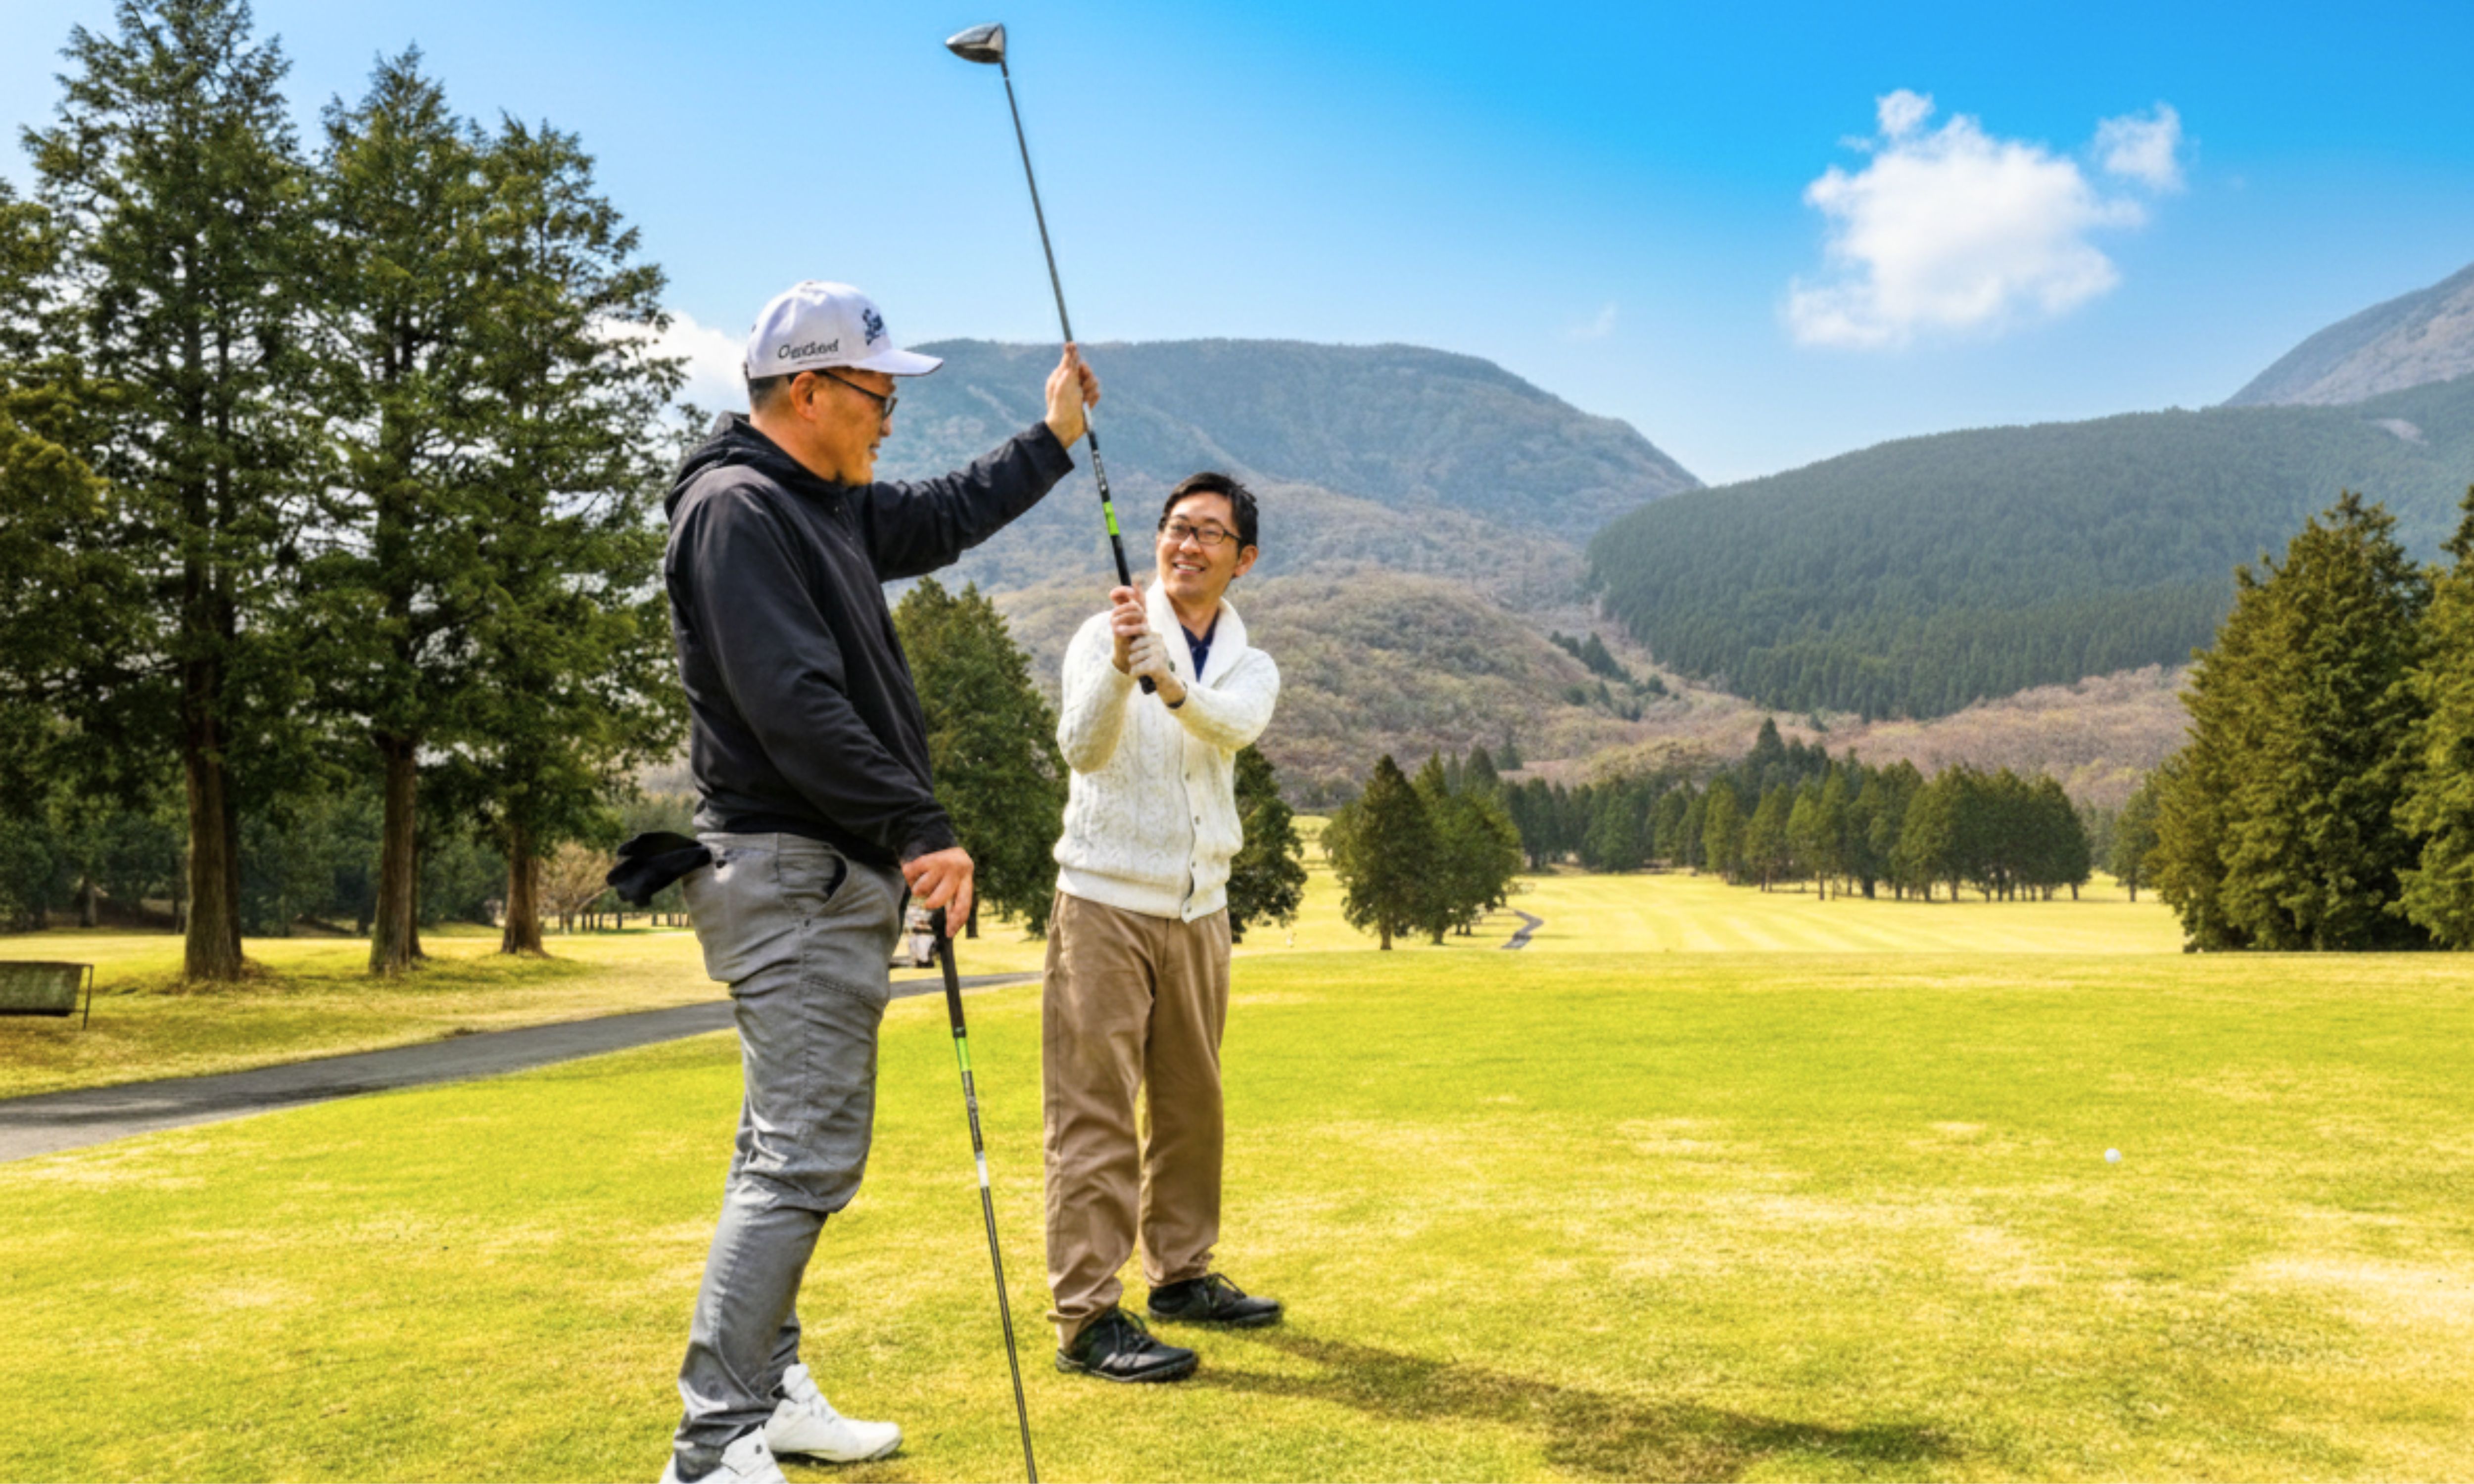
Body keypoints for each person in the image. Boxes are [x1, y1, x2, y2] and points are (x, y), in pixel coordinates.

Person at [657, 280, 1098, 1484]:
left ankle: (769, 1386)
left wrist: (1053, 438)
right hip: (791, 870)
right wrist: (920, 827)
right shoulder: (742, 509)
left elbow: (948, 515)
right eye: (876, 391)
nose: (891, 415)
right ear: (808, 390)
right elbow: (791, 704)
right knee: (801, 1158)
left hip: (816, 871)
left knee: (780, 1148)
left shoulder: (823, 505)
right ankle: (712, 1443)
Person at [1044, 471, 1283, 1383]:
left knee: (1192, 1109)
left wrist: (1170, 684)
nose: (1188, 545)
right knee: (1093, 1114)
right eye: (1176, 529)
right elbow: (1081, 747)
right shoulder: (1096, 637)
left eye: (1210, 535)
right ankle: (1087, 1319)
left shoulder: (1250, 664)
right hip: (1103, 902)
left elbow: (1233, 728)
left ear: (1243, 559)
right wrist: (1119, 666)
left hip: (1199, 910)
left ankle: (1179, 1277)